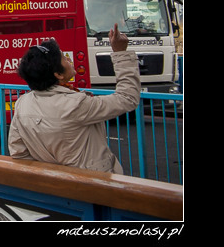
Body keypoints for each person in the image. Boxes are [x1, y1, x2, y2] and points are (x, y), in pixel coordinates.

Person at [8, 24, 140, 174]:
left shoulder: (22, 104)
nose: (69, 60)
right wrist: (120, 53)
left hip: (56, 185)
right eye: (64, 58)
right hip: (93, 182)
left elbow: (19, 152)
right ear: (58, 74)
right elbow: (127, 98)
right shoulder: (76, 104)